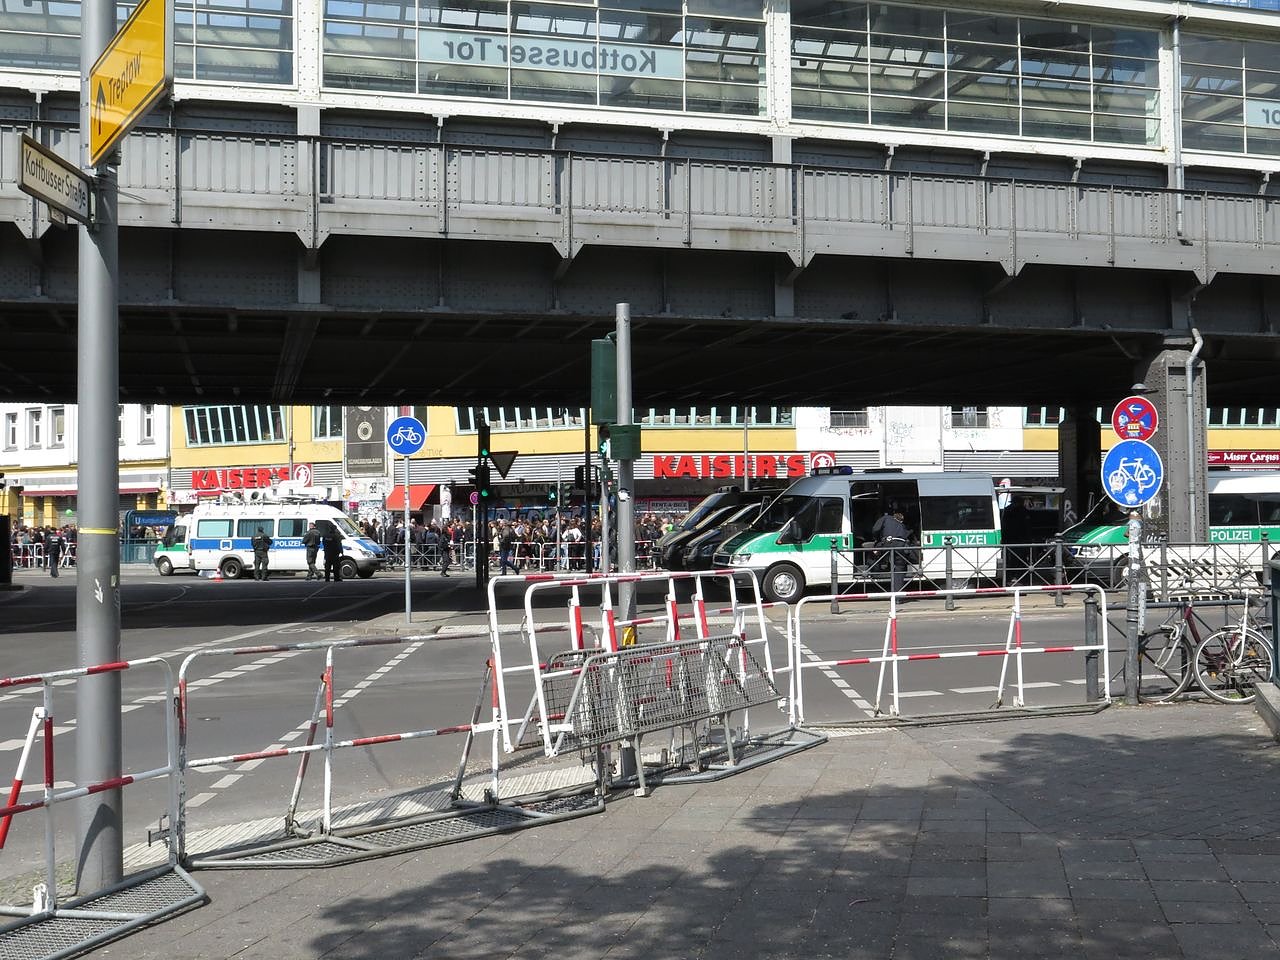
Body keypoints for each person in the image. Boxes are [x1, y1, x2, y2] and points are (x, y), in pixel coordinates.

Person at [872, 506, 913, 595]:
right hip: (901, 546)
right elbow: (907, 536)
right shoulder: (902, 525)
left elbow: (875, 529)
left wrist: (877, 539)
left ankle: (875, 571)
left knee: (875, 552)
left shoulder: (885, 518)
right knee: (900, 567)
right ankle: (897, 595)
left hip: (888, 543)